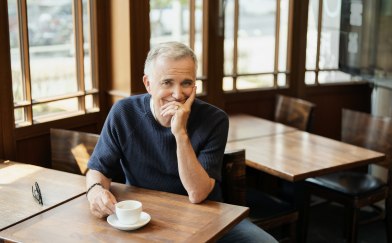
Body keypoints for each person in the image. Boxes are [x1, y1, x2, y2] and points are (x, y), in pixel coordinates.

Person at [86, 41, 277, 243]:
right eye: (167, 82)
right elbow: (98, 169)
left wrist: (180, 133)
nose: (178, 94)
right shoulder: (124, 113)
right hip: (145, 216)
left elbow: (198, 193)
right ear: (148, 84)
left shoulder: (215, 119)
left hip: (207, 215)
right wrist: (95, 191)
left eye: (186, 83)